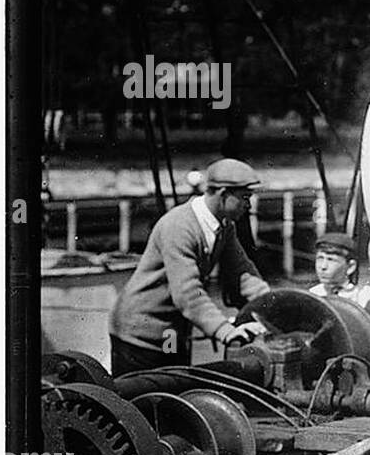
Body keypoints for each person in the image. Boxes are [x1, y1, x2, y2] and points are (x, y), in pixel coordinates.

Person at [109, 158, 270, 376]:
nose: (249, 205)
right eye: (244, 198)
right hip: (138, 335)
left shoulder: (224, 226)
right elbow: (188, 293)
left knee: (174, 385)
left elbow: (242, 272)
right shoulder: (179, 227)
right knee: (140, 397)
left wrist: (272, 308)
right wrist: (225, 331)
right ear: (223, 194)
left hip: (170, 333)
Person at [308, 231, 370, 373]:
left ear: (350, 267)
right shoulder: (313, 295)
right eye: (320, 258)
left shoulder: (365, 296)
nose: (322, 266)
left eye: (331, 260)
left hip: (361, 367)